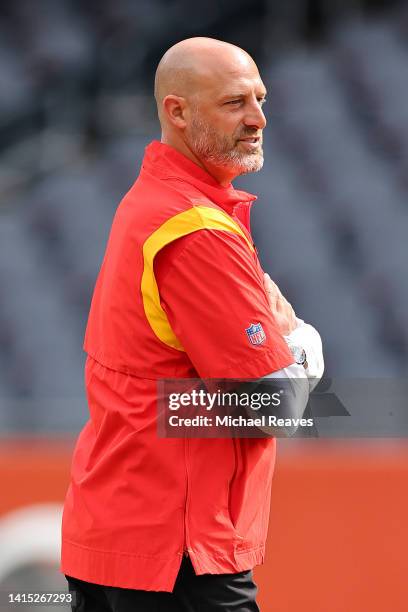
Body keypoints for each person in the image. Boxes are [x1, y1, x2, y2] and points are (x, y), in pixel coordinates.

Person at [61, 37, 324, 611]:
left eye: (260, 98)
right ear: (176, 111)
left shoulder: (149, 203)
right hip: (177, 553)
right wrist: (303, 342)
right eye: (234, 103)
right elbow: (273, 408)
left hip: (114, 536)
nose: (258, 119)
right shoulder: (194, 229)